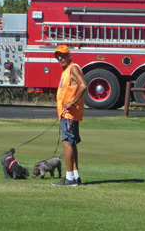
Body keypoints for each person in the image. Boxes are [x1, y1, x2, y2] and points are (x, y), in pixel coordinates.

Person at [52, 45, 87, 187]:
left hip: (69, 113)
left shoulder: (73, 68)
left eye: (62, 55)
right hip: (66, 114)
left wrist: (72, 103)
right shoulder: (66, 70)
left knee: (67, 143)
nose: (60, 58)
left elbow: (83, 85)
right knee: (71, 143)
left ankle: (70, 178)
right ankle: (75, 176)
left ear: (69, 56)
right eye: (57, 56)